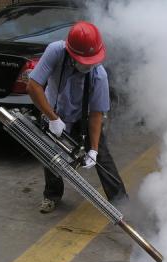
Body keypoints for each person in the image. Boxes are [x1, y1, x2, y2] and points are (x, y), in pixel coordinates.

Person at [27, 21, 127, 213]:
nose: (88, 65)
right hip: (53, 110)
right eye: (84, 61)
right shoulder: (55, 51)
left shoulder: (99, 75)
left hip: (83, 116)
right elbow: (33, 86)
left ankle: (121, 203)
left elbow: (97, 114)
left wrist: (94, 150)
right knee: (50, 155)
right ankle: (52, 195)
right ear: (72, 54)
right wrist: (52, 118)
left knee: (103, 158)